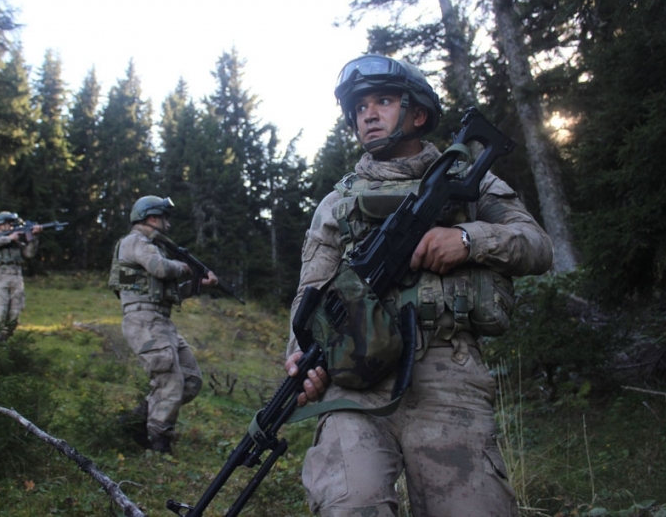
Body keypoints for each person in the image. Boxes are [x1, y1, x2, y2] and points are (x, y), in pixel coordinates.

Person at [284, 55, 554, 516]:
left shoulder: (469, 180)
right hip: (355, 380)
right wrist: (298, 356)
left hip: (448, 374)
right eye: (359, 106)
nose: (367, 113)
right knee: (351, 504)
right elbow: (309, 293)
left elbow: (537, 246)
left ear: (418, 114)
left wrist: (468, 240)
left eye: (383, 101)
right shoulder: (336, 203)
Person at [109, 195, 218, 454]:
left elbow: (169, 292)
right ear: (153, 217)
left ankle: (136, 422)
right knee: (170, 380)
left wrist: (199, 285)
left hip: (160, 320)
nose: (168, 224)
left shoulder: (150, 248)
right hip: (143, 319)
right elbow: (160, 268)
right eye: (164, 218)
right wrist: (185, 267)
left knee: (190, 380)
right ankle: (158, 445)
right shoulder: (135, 242)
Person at [0, 211, 42, 342]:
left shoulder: (17, 243)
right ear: (0, 225)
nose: (11, 227)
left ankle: (4, 342)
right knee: (1, 312)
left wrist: (34, 238)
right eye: (9, 224)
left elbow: (29, 254)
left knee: (14, 315)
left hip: (16, 278)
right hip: (0, 278)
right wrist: (9, 238)